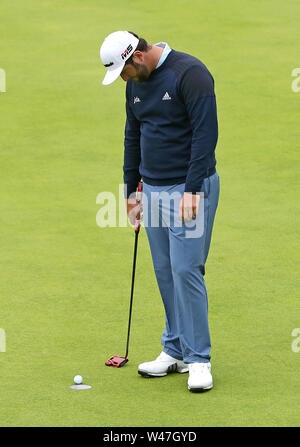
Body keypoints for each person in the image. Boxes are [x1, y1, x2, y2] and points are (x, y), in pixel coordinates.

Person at [100, 30, 220, 392]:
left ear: (136, 57)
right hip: (151, 190)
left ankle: (199, 359)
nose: (123, 79)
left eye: (123, 71)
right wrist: (130, 189)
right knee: (165, 271)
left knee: (186, 270)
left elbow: (205, 133)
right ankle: (176, 350)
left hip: (187, 188)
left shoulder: (190, 73)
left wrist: (193, 190)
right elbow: (132, 134)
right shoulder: (134, 85)